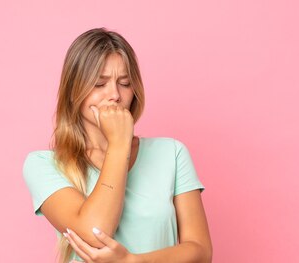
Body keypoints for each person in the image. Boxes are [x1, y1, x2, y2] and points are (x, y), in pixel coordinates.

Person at [22, 27, 212, 263]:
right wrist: (119, 143)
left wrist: (132, 262)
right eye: (99, 84)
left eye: (124, 83)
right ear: (74, 91)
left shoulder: (172, 153)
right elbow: (94, 233)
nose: (114, 95)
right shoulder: (44, 165)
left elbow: (201, 252)